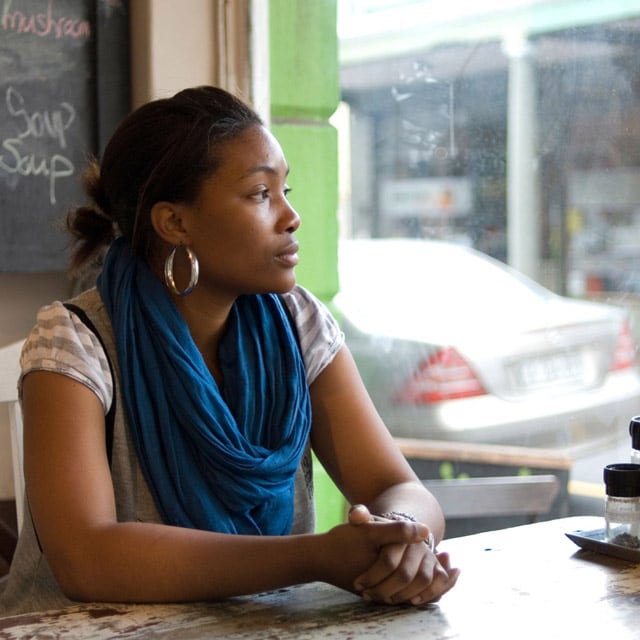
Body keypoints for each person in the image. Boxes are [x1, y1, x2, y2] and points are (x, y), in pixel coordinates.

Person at [0, 86, 459, 616]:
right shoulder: (76, 343)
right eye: (260, 194)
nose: (291, 217)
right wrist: (313, 558)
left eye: (286, 190)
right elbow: (88, 558)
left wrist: (400, 537)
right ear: (175, 223)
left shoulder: (299, 323)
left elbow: (398, 486)